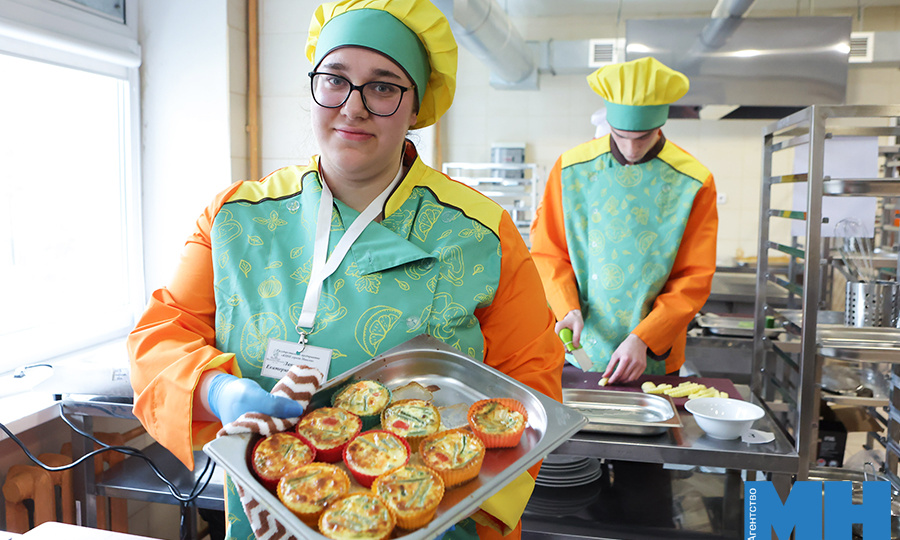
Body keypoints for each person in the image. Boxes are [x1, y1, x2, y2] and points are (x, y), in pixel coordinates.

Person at [127, 1, 564, 539]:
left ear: (416, 106)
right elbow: (160, 336)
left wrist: (464, 514)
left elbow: (532, 383)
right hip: (268, 515)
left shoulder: (481, 234)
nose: (353, 107)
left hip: (432, 519)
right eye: (335, 79)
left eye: (383, 87)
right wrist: (214, 389)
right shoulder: (234, 218)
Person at [530, 56, 718, 383]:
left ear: (660, 124)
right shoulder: (570, 170)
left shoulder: (693, 182)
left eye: (643, 137)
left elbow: (693, 277)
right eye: (620, 135)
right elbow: (549, 253)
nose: (631, 149)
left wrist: (645, 337)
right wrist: (566, 307)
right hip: (579, 349)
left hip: (653, 353)